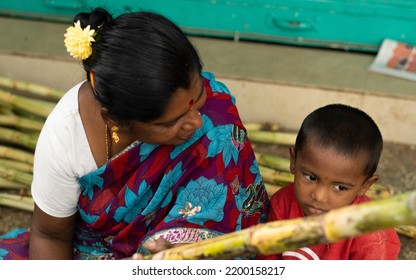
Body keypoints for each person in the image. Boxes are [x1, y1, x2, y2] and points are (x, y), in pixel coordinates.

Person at [0, 8, 269, 260]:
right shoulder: (65, 135)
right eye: (171, 122)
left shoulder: (218, 116)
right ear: (115, 119)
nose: (197, 122)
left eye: (199, 97)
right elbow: (50, 234)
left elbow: (235, 220)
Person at [259, 104, 400, 260]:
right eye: (311, 177)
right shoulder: (282, 203)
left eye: (340, 187)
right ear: (293, 161)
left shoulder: (370, 236)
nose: (319, 197)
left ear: (365, 185)